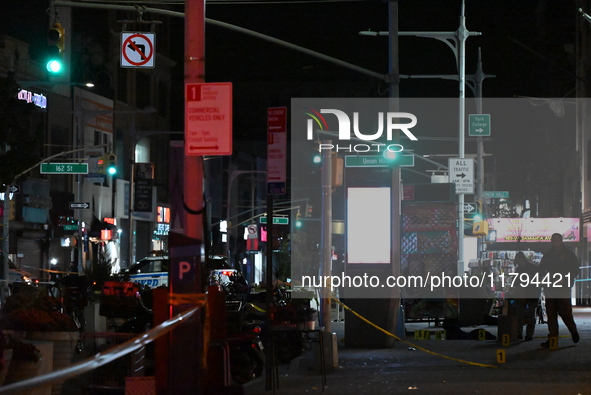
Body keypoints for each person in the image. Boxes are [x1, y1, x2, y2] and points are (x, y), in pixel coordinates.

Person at [538, 233, 580, 348]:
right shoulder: (548, 255)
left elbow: (575, 269)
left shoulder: (568, 254)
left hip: (563, 288)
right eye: (553, 241)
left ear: (561, 241)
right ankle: (552, 337)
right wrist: (542, 279)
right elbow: (541, 269)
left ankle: (573, 330)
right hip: (550, 288)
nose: (555, 243)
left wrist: (566, 279)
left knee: (565, 312)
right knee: (551, 314)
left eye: (557, 240)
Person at [509, 251, 540, 341]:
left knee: (523, 314)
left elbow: (516, 283)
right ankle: (528, 334)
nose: (517, 263)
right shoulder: (533, 268)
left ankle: (522, 334)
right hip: (530, 294)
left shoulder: (520, 269)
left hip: (528, 294)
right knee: (528, 315)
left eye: (518, 261)